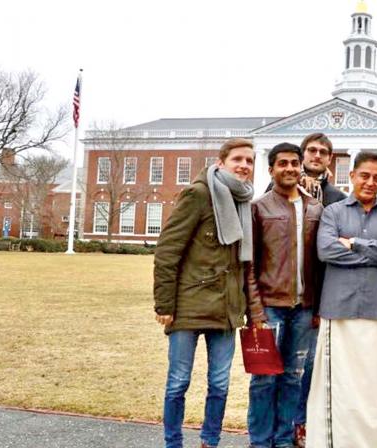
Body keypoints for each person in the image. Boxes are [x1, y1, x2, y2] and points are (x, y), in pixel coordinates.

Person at [153, 138, 258, 448]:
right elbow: (168, 251)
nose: (244, 165)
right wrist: (164, 304)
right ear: (221, 161)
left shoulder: (243, 201)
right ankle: (173, 443)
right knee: (178, 382)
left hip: (226, 309)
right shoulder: (198, 194)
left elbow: (243, 264)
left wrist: (248, 310)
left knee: (220, 383)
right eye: (238, 159)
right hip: (187, 305)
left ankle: (209, 441)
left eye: (249, 161)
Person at [306, 151, 377, 448]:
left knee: (369, 386)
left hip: (374, 311)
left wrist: (353, 244)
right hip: (337, 310)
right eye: (364, 175)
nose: (370, 182)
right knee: (336, 386)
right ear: (352, 176)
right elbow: (326, 251)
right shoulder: (334, 212)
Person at [246, 142, 324, 448]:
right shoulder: (259, 207)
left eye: (295, 163)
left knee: (293, 376)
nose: (290, 168)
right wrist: (255, 311)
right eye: (283, 164)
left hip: (304, 309)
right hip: (269, 307)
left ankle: (283, 440)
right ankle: (260, 441)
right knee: (264, 379)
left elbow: (320, 264)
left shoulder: (316, 208)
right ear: (271, 169)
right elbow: (249, 264)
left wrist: (317, 306)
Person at [291, 133, 346, 448]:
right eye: (311, 150)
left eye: (323, 152)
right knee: (277, 365)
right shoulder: (278, 186)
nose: (317, 155)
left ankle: (301, 424)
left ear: (329, 159)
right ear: (303, 154)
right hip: (281, 290)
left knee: (308, 365)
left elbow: (334, 246)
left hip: (316, 293)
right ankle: (275, 426)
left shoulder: (336, 198)